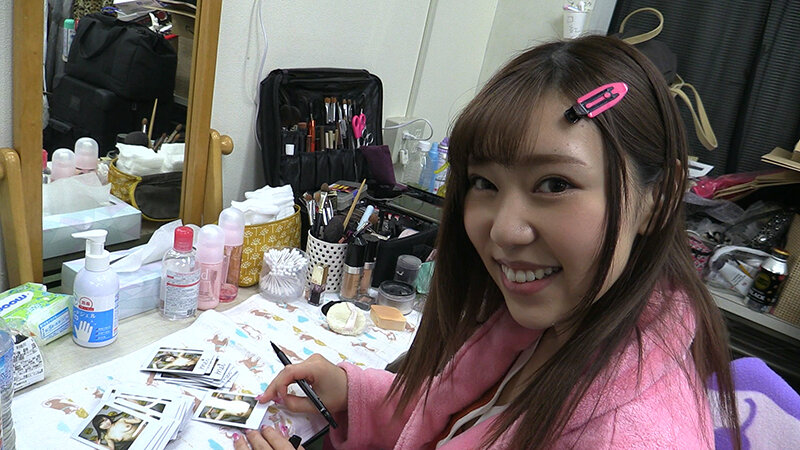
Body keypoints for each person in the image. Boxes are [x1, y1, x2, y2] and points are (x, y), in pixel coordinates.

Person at [239, 35, 742, 449]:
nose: (503, 230)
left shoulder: (627, 436)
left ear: (659, 198)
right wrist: (355, 393)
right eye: (484, 183)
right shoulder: (545, 324)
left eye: (555, 184)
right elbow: (455, 419)